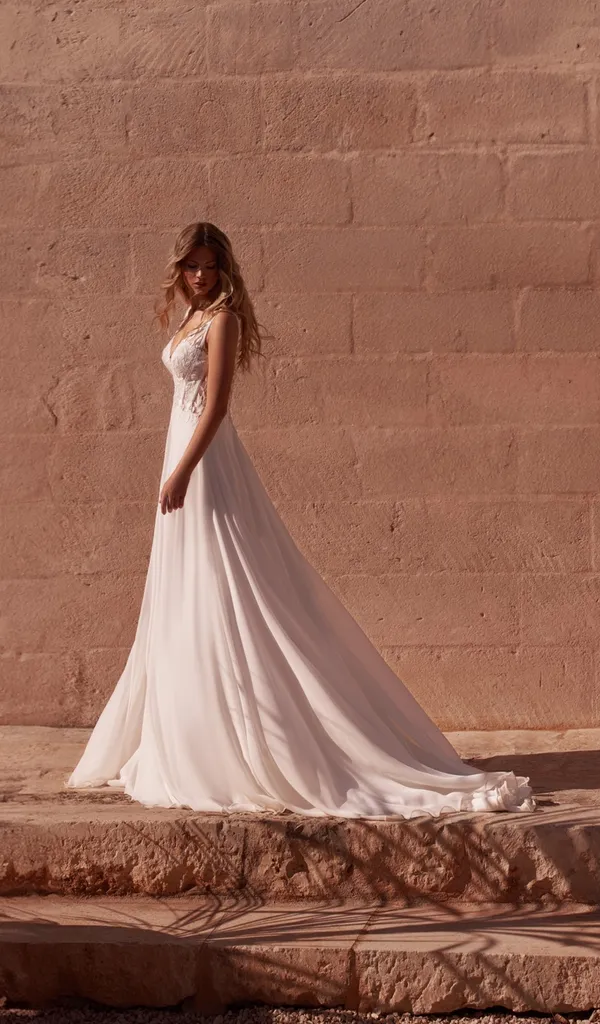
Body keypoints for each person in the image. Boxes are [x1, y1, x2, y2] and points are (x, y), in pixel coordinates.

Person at [66, 222, 536, 818]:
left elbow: (216, 408)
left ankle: (259, 738)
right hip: (179, 448)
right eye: (191, 266)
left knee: (225, 579)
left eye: (209, 265)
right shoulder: (189, 317)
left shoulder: (223, 320)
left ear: (223, 267)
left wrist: (184, 469)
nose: (201, 275)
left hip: (205, 458)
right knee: (185, 587)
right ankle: (193, 724)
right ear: (180, 268)